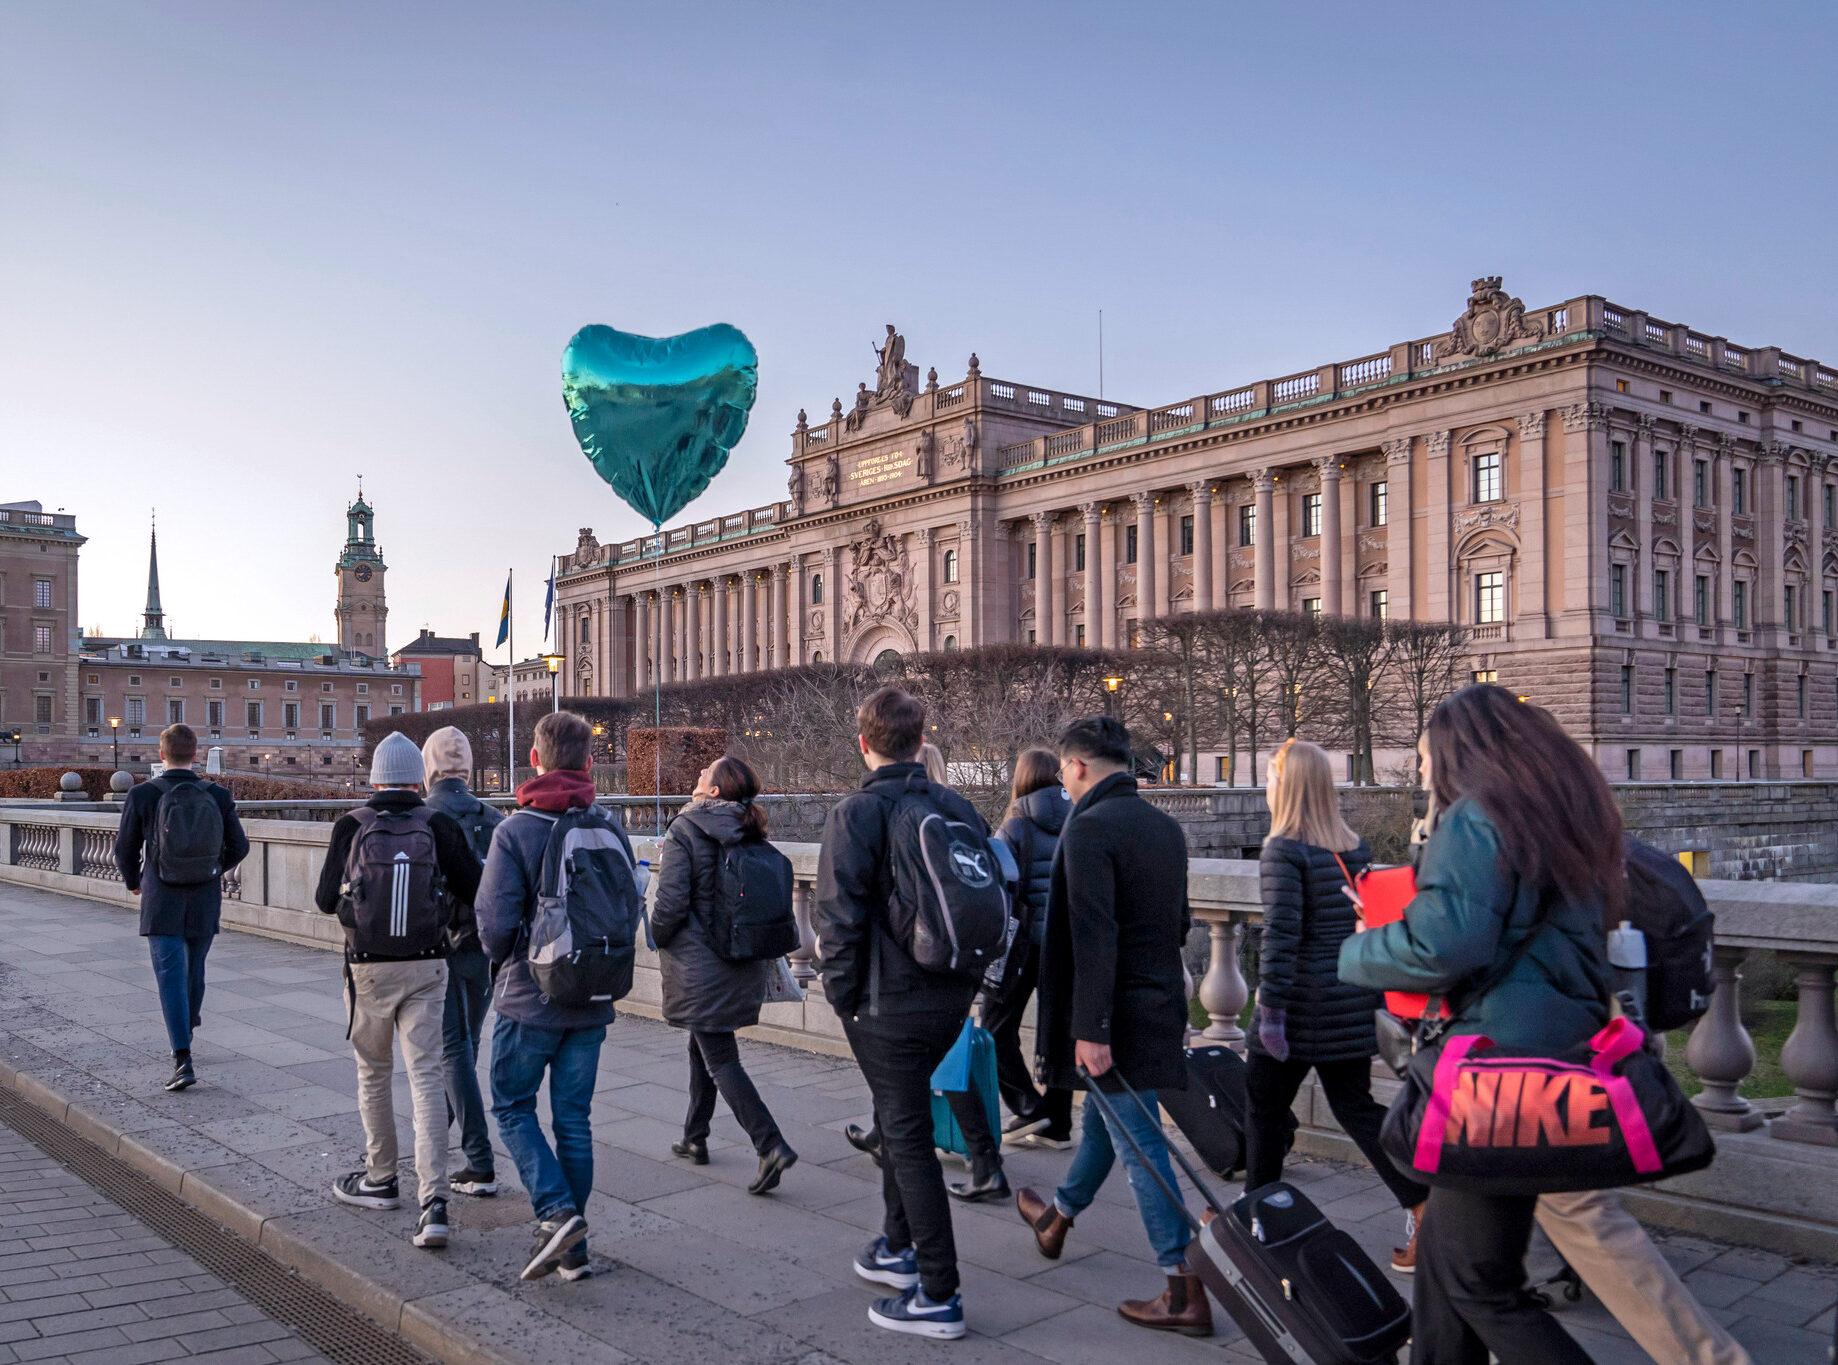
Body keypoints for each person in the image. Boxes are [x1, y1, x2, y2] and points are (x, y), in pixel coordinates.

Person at [1339, 684, 1618, 1364]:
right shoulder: (1557, 817)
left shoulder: (1476, 818)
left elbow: (1443, 944)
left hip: (1493, 1073)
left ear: (1458, 751)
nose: (1423, 769)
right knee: (1444, 1269)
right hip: (1548, 1056)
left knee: (1479, 1281)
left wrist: (1356, 948)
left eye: (1426, 754)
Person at [1017, 716, 1211, 1337]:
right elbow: (1179, 922)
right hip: (1159, 1002)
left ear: (1075, 767)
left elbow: (1094, 940)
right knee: (1104, 1120)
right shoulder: (1164, 826)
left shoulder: (1089, 828)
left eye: (1066, 775)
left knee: (1141, 1144)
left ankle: (1182, 1286)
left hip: (1115, 1016)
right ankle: (1058, 1219)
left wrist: (1091, 1027)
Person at [814, 687, 984, 1340]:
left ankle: (938, 1291)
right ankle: (895, 1244)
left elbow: (838, 916)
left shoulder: (858, 811)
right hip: (950, 995)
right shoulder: (956, 804)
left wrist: (843, 996)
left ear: (864, 743)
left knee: (909, 1139)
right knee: (897, 1114)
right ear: (921, 739)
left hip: (887, 1004)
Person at [1248, 739, 1429, 1270]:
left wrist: (1273, 1014)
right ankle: (1422, 1203)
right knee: (1356, 1109)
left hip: (1301, 1006)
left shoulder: (1282, 850)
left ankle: (1259, 1219)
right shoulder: (1353, 846)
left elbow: (1281, 939)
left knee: (1262, 1109)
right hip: (1349, 1001)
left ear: (1284, 785)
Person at [476, 710, 633, 1283]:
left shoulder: (515, 830)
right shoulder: (609, 826)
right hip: (593, 995)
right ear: (589, 762)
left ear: (535, 760)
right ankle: (575, 1250)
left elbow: (493, 927)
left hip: (530, 996)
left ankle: (557, 1212)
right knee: (574, 1120)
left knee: (513, 1106)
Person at [315, 730, 481, 1252]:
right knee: (427, 1078)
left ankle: (380, 1179)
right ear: (418, 777)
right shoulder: (438, 822)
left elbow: (324, 900)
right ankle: (433, 1203)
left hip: (367, 967)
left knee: (374, 1075)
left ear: (373, 778)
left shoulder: (352, 824)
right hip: (428, 965)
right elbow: (475, 887)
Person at [655, 754, 799, 1194]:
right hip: (740, 957)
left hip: (700, 963)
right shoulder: (749, 830)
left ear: (714, 791)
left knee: (720, 1056)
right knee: (706, 1042)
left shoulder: (686, 828)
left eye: (705, 772)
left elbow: (671, 902)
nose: (698, 774)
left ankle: (770, 1143)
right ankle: (694, 1136)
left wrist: (656, 934)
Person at [114, 723, 248, 1093]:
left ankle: (182, 1056)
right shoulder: (217, 796)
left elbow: (125, 848)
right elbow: (240, 846)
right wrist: (213, 868)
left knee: (170, 974)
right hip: (204, 896)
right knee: (195, 968)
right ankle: (187, 1025)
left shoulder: (143, 795)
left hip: (162, 897)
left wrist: (134, 881)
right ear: (195, 753)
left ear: (162, 754)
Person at [421, 726, 503, 1199]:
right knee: (467, 1045)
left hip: (443, 944)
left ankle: (479, 1160)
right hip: (484, 946)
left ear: (429, 766)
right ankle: (443, 1128)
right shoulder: (493, 816)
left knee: (451, 1049)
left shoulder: (426, 817)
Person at [990, 747, 1072, 1148]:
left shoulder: (1016, 825)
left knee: (993, 1028)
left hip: (1022, 946)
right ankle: (1058, 1123)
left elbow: (1001, 889)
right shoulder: (1079, 819)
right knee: (1058, 1034)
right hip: (1065, 944)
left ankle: (1028, 1108)